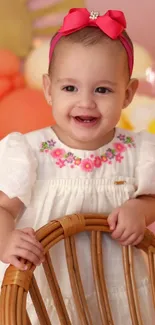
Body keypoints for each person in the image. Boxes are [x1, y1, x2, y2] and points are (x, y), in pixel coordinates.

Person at [0, 7, 155, 324]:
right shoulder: (29, 152)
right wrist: (5, 238)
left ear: (128, 94)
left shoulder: (139, 151)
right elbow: (3, 207)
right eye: (70, 88)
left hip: (118, 285)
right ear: (48, 89)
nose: (86, 101)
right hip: (47, 288)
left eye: (103, 89)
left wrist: (141, 209)